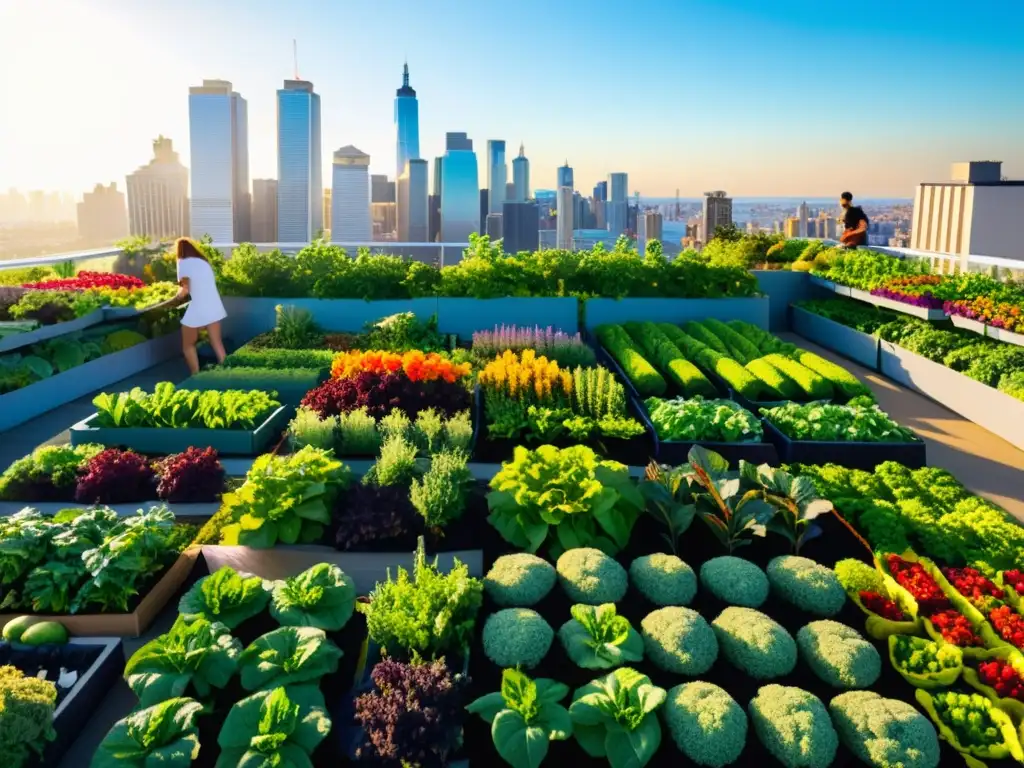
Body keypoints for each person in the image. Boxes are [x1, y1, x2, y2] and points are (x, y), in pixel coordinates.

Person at [171, 237, 227, 374]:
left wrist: (175, 297)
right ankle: (228, 372)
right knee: (217, 343)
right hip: (215, 306)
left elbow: (185, 289)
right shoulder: (203, 262)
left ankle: (195, 375)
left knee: (187, 345)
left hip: (199, 307)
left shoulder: (182, 262)